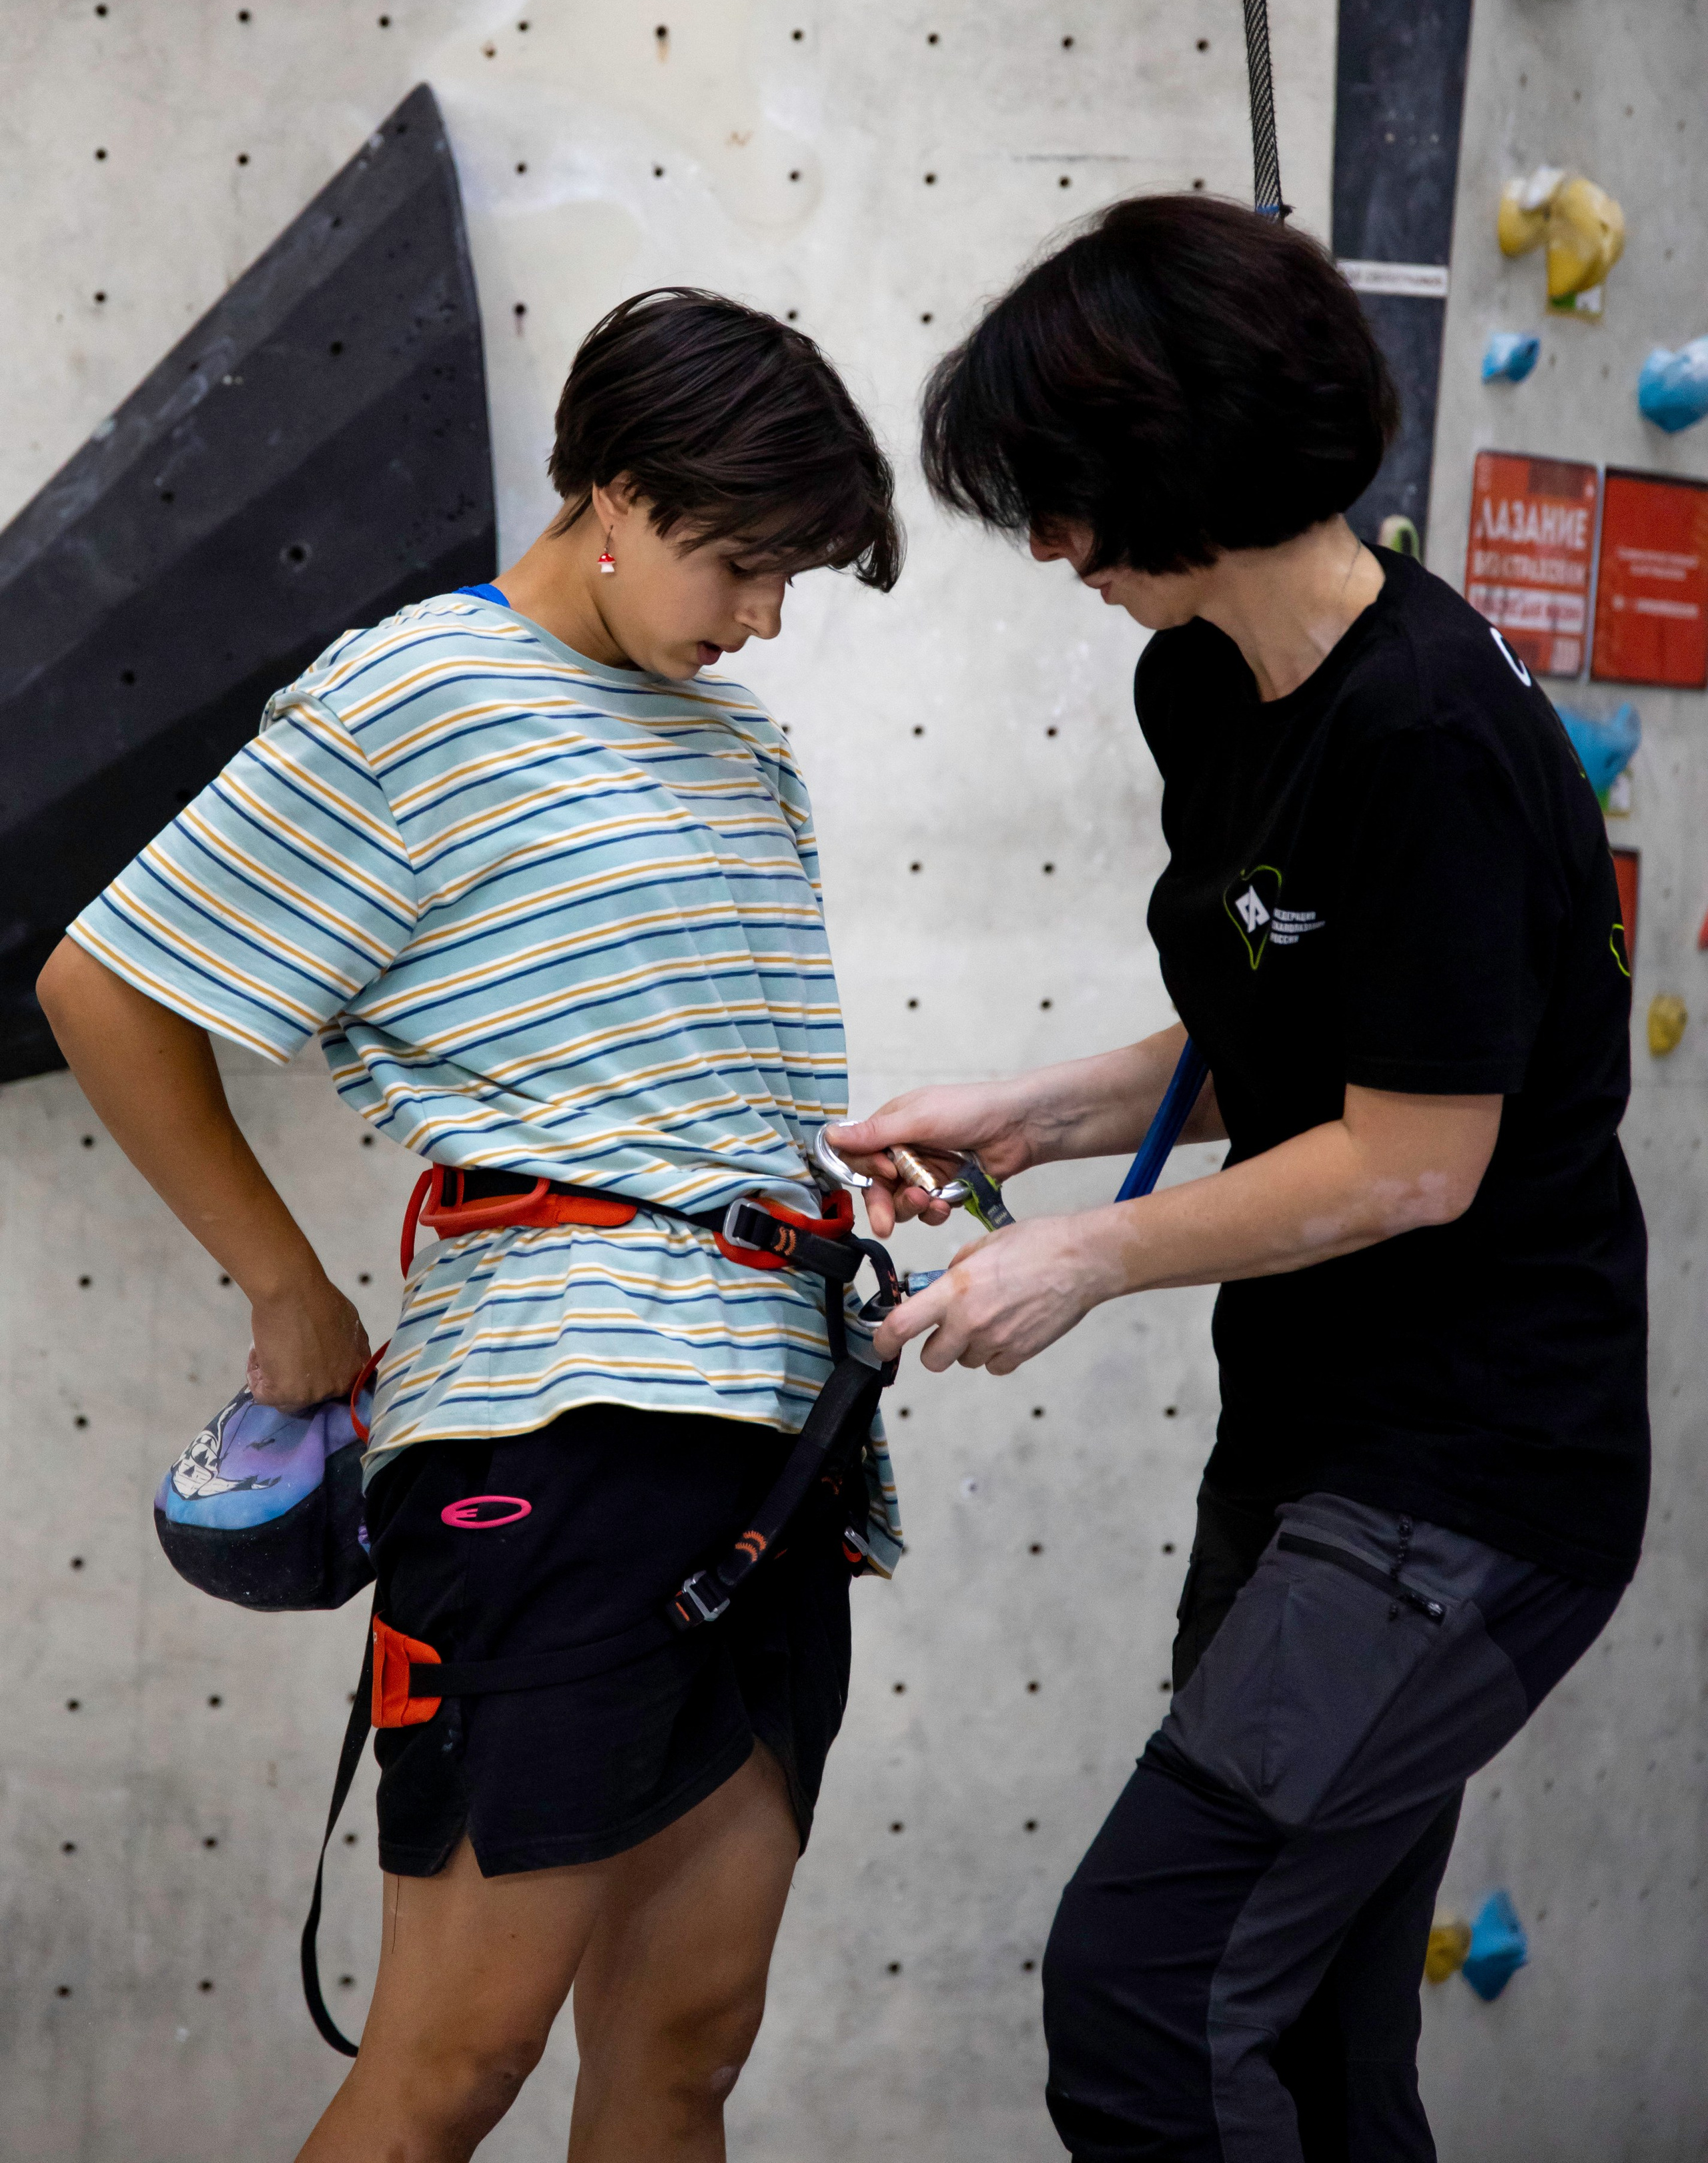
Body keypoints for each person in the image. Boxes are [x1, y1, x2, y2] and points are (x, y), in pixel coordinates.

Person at [37, 288, 904, 2163]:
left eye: (792, 579)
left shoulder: (743, 746)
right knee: (456, 2063)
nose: (764, 619)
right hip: (554, 1434)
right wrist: (287, 1286)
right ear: (614, 489)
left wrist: (829, 1182)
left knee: (684, 2048)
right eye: (746, 563)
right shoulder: (420, 688)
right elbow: (105, 985)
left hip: (780, 1434)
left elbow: (660, 1072)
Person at [835, 196, 1647, 2163]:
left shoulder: (1432, 729)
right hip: (1308, 1450)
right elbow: (1287, 1018)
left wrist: (1085, 1260)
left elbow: (1415, 1160)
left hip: (1467, 1482)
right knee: (1302, 2050)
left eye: (1062, 500)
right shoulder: (1204, 683)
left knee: (1146, 1994)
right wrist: (1029, 1118)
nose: (1047, 551)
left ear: (1176, 472)